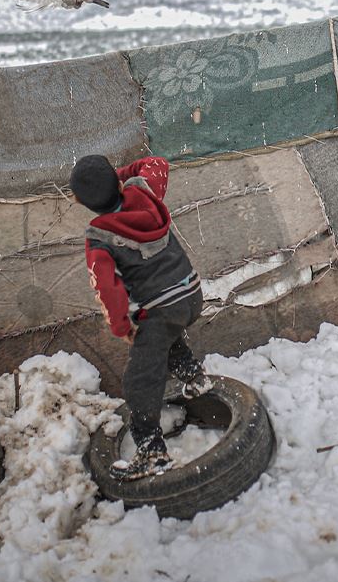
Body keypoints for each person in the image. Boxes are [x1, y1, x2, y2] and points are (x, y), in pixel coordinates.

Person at [70, 153, 212, 480]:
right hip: (191, 294)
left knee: (139, 381)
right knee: (162, 336)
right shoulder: (144, 192)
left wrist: (122, 327)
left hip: (161, 308)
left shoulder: (99, 237)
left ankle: (151, 451)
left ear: (80, 202)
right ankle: (194, 376)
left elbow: (107, 288)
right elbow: (158, 162)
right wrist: (116, 177)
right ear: (118, 181)